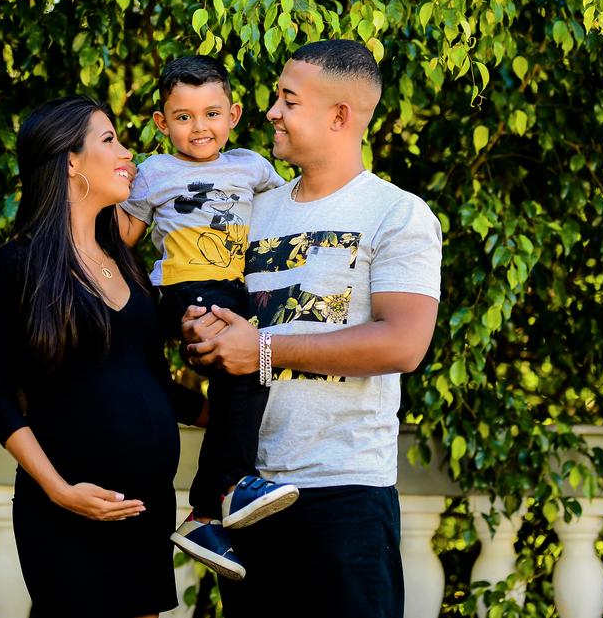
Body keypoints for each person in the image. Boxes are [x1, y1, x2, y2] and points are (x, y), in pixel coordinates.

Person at [181, 39, 443, 618]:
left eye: (288, 99)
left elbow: (403, 343)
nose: (271, 111)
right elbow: (227, 329)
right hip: (247, 499)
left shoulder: (397, 214)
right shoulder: (254, 208)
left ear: (339, 116)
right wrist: (205, 335)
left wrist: (265, 350)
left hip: (344, 493)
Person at [0, 94, 208, 618]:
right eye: (111, 141)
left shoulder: (125, 263)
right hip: (66, 513)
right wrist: (60, 491)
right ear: (70, 160)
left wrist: (231, 416)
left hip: (144, 511)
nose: (129, 154)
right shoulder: (17, 265)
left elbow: (151, 383)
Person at [116, 56, 297, 581]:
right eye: (184, 117)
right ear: (160, 123)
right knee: (249, 372)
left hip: (235, 290)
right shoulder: (154, 173)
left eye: (212, 113)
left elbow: (284, 216)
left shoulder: (254, 168)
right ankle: (231, 486)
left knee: (244, 381)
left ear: (235, 113)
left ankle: (204, 512)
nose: (200, 128)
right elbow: (122, 238)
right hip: (183, 290)